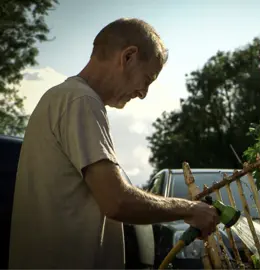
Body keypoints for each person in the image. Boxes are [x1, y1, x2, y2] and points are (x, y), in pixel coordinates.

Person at [8, 18, 220, 269]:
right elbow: (116, 200)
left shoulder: (61, 98)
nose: (143, 93)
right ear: (128, 57)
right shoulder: (81, 101)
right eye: (148, 80)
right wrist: (190, 210)